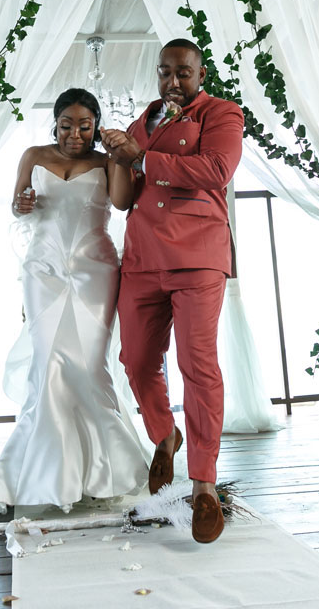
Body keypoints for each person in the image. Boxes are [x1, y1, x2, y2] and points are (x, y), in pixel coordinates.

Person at [99, 38, 244, 543]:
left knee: (196, 365)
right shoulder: (146, 118)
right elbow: (124, 199)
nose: (173, 82)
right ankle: (165, 434)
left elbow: (217, 172)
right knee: (135, 360)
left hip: (197, 256)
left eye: (183, 73)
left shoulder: (222, 113)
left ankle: (203, 483)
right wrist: (119, 154)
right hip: (141, 259)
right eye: (165, 72)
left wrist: (144, 157)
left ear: (200, 74)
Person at [0, 88, 148, 514]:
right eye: (66, 124)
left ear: (95, 126)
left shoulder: (103, 161)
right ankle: (42, 475)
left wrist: (120, 157)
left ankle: (104, 470)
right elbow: (19, 206)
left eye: (84, 125)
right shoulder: (33, 155)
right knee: (49, 363)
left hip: (95, 271)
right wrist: (22, 204)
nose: (74, 133)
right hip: (42, 271)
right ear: (54, 123)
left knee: (90, 366)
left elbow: (122, 202)